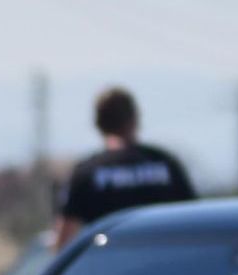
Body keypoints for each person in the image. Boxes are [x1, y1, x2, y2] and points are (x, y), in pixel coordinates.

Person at [55, 87, 196, 249]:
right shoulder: (165, 164)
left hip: (111, 263)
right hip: (166, 260)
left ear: (98, 124)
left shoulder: (86, 173)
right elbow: (193, 222)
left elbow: (63, 240)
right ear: (135, 119)